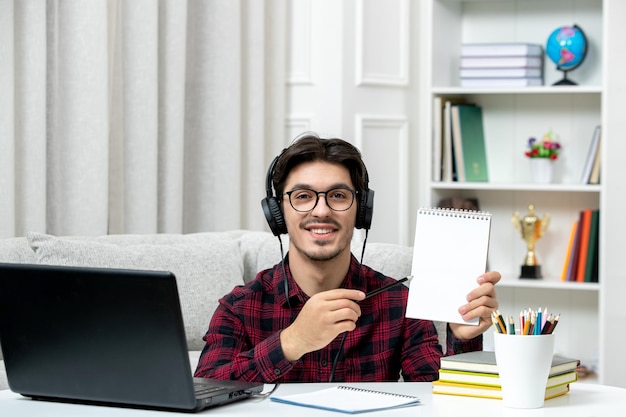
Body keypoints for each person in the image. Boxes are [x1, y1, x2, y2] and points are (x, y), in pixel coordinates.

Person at [194, 133, 500, 382]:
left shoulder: (400, 303)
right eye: (303, 197)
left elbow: (439, 399)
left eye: (338, 196)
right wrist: (291, 342)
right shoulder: (239, 308)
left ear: (361, 211)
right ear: (277, 213)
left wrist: (463, 338)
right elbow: (207, 388)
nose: (322, 211)